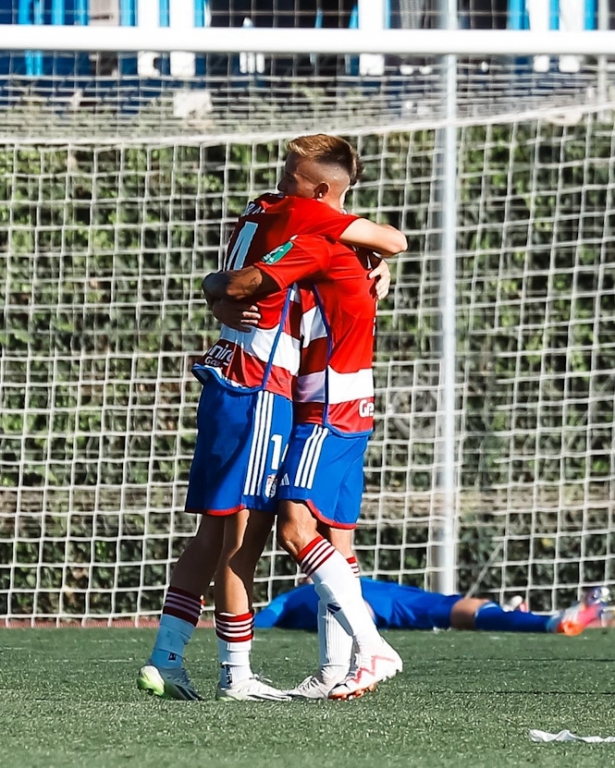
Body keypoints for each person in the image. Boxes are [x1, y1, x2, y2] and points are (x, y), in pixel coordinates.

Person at [136, 134, 406, 702]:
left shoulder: (267, 210)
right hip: (263, 386)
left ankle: (174, 657)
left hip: (236, 375)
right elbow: (392, 239)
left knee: (225, 530)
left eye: (293, 177)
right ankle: (242, 673)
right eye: (284, 175)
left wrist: (215, 289)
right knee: (249, 533)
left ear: (322, 189)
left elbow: (373, 250)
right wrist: (221, 289)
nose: (281, 184)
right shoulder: (309, 222)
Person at [254, 578, 612, 637]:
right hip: (374, 606)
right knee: (455, 609)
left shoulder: (288, 597)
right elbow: (263, 621)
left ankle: (546, 620)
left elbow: (261, 621)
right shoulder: (291, 598)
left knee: (460, 607)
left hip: (389, 601)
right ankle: (546, 622)